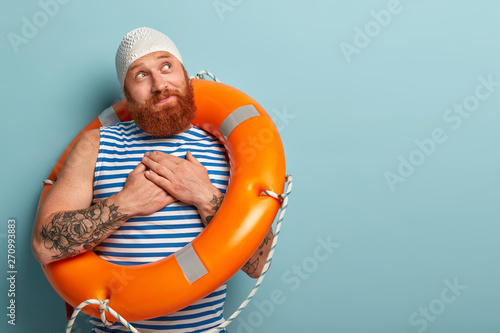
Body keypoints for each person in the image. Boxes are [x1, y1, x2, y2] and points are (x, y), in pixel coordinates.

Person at [32, 27, 274, 333]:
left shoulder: (225, 146)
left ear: (186, 75)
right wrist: (126, 204)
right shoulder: (95, 144)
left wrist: (205, 195)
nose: (159, 84)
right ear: (127, 93)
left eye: (166, 66)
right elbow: (44, 244)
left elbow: (257, 265)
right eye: (140, 75)